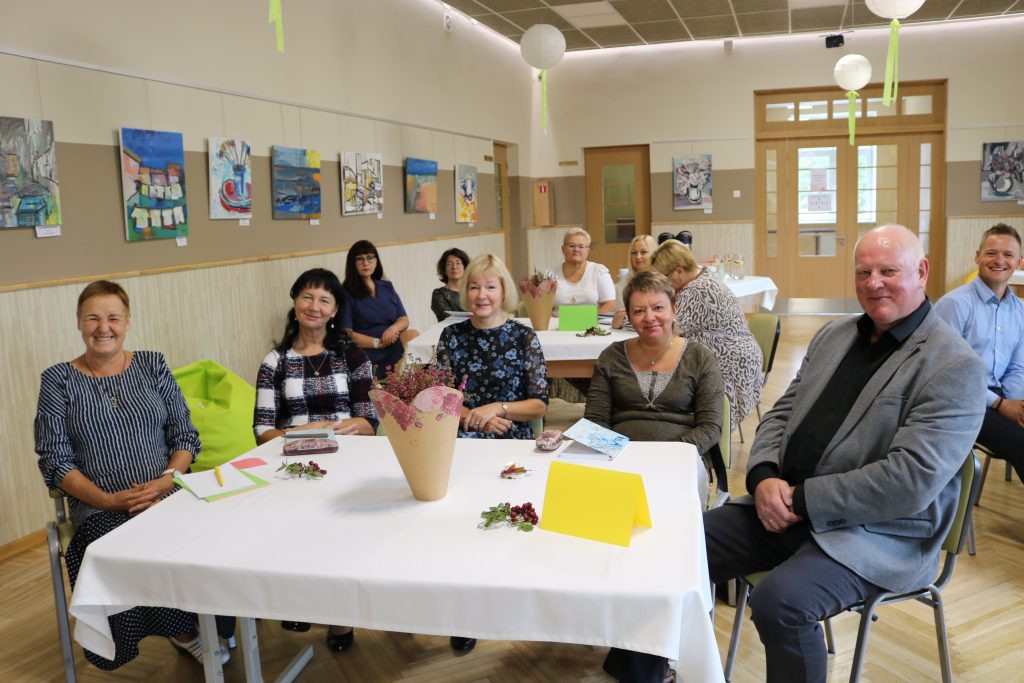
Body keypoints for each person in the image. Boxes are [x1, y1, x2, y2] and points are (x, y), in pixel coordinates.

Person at [605, 225, 988, 683]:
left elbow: (910, 481)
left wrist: (800, 500)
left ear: (921, 272)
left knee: (780, 603)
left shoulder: (954, 365)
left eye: (889, 271)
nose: (873, 283)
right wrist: (764, 476)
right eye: (863, 272)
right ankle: (642, 674)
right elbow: (781, 414)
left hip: (874, 532)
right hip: (784, 507)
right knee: (669, 544)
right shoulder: (835, 335)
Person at [34, 280, 233, 670]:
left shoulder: (152, 364)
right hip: (98, 505)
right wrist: (108, 500)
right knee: (124, 543)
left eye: (113, 317)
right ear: (78, 322)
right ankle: (185, 633)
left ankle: (216, 622)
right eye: (93, 318)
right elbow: (55, 460)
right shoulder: (57, 380)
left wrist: (166, 481)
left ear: (127, 321)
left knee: (210, 529)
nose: (103, 327)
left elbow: (185, 435)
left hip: (168, 490)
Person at [254, 267, 377, 651]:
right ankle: (298, 601)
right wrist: (307, 432)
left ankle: (341, 618)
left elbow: (370, 421)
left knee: (338, 539)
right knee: (293, 535)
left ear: (334, 310)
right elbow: (262, 431)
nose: (314, 306)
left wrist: (344, 428)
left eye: (324, 299)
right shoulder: (275, 361)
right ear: (294, 302)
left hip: (345, 461)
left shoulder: (351, 355)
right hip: (292, 465)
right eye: (307, 296)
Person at [584, 270, 723, 505]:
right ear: (629, 316)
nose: (649, 317)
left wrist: (666, 456)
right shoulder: (611, 356)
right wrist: (625, 457)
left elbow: (710, 427)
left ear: (674, 309)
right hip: (619, 461)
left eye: (658, 308)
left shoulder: (700, 358)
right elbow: (594, 422)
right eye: (639, 311)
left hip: (679, 462)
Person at [935, 223, 1024, 482]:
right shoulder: (954, 305)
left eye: (1008, 255)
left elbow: (1017, 367)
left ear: (1020, 262)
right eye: (991, 253)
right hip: (958, 400)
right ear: (977, 256)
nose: (999, 260)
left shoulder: (1020, 310)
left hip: (1001, 397)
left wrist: (1016, 405)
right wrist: (1000, 404)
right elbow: (946, 374)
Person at [649, 239, 763, 435]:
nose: (662, 286)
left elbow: (664, 324)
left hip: (732, 364)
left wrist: (627, 317)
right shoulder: (703, 278)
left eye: (663, 279)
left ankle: (692, 435)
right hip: (739, 357)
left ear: (678, 271)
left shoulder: (697, 291)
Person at [435, 253, 548, 440]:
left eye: (490, 287)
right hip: (463, 437)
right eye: (474, 287)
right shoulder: (451, 335)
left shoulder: (524, 336)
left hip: (511, 437)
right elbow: (440, 398)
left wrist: (498, 408)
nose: (481, 295)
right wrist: (479, 420)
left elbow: (539, 405)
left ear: (504, 292)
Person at [341, 240, 419, 378]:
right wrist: (378, 343)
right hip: (368, 349)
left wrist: (393, 328)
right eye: (360, 259)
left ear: (376, 261)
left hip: (392, 344)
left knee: (413, 335)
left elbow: (404, 319)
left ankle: (399, 382)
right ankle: (394, 381)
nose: (366, 263)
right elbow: (347, 334)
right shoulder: (346, 293)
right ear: (352, 264)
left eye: (370, 257)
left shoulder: (387, 286)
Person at [553, 227, 616, 314]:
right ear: (563, 249)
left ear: (588, 251)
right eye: (571, 245)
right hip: (557, 322)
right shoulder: (550, 274)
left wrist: (582, 318)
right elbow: (543, 308)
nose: (576, 250)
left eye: (581, 246)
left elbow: (610, 305)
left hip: (592, 322)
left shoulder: (599, 271)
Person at [611, 235, 658, 329]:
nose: (638, 256)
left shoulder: (663, 282)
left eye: (643, 252)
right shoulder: (622, 285)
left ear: (653, 254)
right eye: (634, 253)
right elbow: (617, 320)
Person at [430, 247, 469, 321]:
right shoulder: (439, 294)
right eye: (449, 264)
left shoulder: (473, 290)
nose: (454, 267)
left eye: (458, 263)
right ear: (444, 270)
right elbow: (448, 319)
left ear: (465, 267)